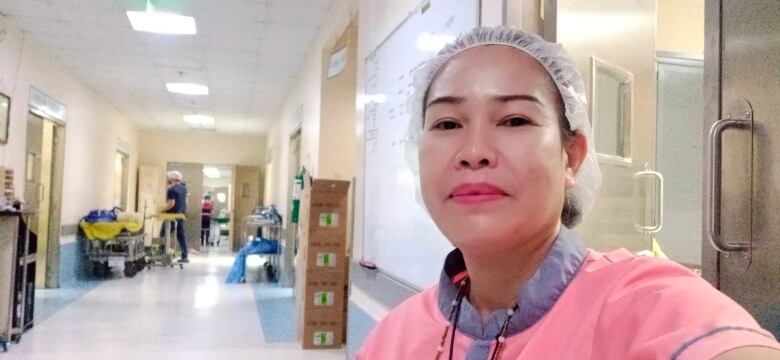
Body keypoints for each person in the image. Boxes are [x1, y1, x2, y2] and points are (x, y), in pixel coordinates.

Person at [356, 27, 780, 360]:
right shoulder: (391, 338)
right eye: (447, 124)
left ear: (572, 157)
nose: (474, 152)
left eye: (515, 120)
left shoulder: (648, 306)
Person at [160, 170, 189, 263]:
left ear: (171, 179)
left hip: (171, 215)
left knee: (163, 234)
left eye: (168, 179)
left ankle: (163, 254)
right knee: (180, 235)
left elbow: (171, 203)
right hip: (180, 214)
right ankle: (185, 256)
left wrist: (161, 209)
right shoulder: (184, 188)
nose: (167, 181)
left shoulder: (171, 190)